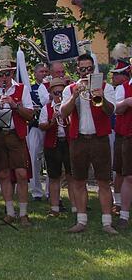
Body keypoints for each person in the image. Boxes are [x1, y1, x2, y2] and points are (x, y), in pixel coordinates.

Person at [61, 54, 117, 234]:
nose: (86, 72)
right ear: (77, 70)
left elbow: (110, 112)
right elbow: (63, 113)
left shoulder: (105, 87)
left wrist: (101, 97)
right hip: (78, 139)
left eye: (89, 68)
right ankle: (81, 220)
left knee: (103, 181)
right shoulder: (70, 89)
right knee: (78, 180)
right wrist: (74, 96)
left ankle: (107, 222)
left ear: (94, 68)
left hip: (99, 139)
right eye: (82, 69)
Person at [0, 46, 34, 226]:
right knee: (3, 173)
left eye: (7, 74)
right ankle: (10, 211)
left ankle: (24, 213)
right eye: (0, 75)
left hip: (14, 134)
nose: (4, 78)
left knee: (21, 173)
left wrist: (14, 104)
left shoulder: (22, 89)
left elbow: (30, 114)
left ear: (12, 73)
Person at [38, 78, 75, 217]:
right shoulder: (46, 108)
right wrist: (52, 120)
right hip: (53, 144)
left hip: (68, 142)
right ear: (51, 93)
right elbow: (42, 126)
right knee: (54, 176)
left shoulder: (70, 106)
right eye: (55, 93)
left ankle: (76, 207)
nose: (58, 96)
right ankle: (54, 208)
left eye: (61, 92)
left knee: (72, 176)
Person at [114, 52, 132, 229]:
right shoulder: (123, 88)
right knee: (129, 176)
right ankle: (124, 215)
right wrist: (127, 102)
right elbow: (115, 110)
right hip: (128, 135)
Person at [28, 62, 48, 202]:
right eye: (41, 71)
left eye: (46, 71)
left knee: (51, 160)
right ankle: (36, 191)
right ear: (35, 74)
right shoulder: (31, 88)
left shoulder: (53, 87)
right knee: (34, 158)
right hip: (35, 127)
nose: (44, 74)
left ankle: (50, 191)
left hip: (51, 127)